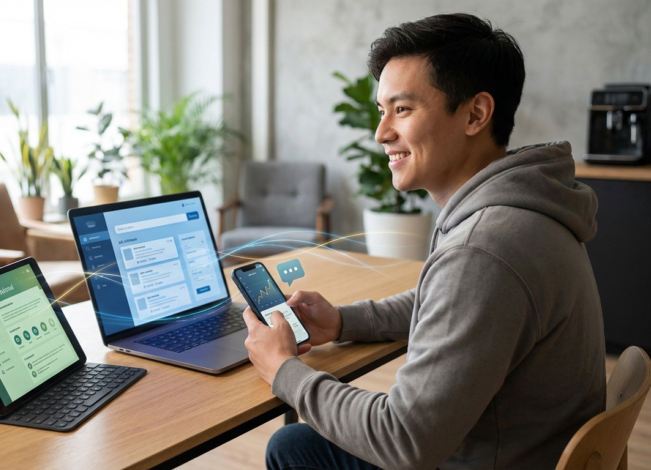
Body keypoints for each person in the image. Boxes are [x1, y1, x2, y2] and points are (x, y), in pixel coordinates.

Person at [242, 13, 605, 470]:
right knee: (297, 443)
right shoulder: (522, 212)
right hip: (522, 445)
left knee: (291, 448)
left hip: (483, 457)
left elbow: (404, 442)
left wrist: (283, 371)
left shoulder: (484, 249)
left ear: (475, 114)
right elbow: (447, 303)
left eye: (403, 109)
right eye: (382, 111)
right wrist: (342, 322)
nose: (381, 134)